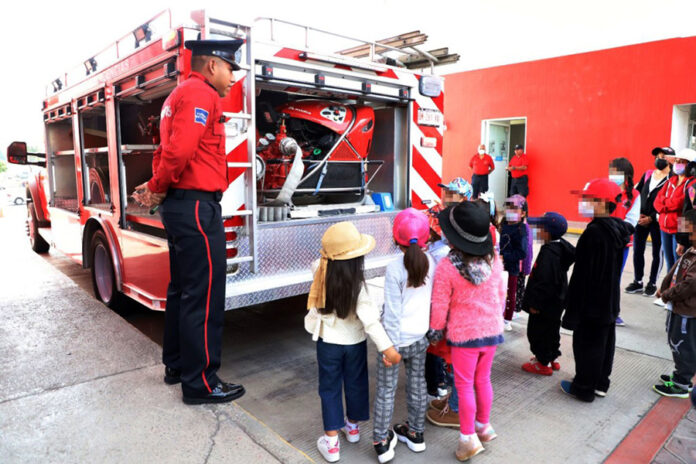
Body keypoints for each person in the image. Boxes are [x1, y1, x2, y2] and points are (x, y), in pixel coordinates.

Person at [132, 39, 245, 405]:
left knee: (183, 290)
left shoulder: (180, 95)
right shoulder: (201, 94)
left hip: (184, 206)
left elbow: (170, 149)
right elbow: (179, 151)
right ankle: (202, 384)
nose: (233, 77)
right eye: (231, 68)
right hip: (196, 206)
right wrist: (156, 186)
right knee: (206, 295)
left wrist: (160, 187)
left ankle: (178, 366)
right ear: (212, 65)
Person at [305, 221, 401, 463]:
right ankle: (353, 428)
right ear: (355, 259)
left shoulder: (319, 270)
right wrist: (388, 350)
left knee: (329, 388)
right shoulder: (357, 287)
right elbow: (371, 322)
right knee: (356, 383)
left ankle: (331, 443)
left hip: (328, 343)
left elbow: (320, 261)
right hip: (355, 343)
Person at [429, 201, 506, 461]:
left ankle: (467, 439)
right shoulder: (495, 262)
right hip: (492, 332)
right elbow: (501, 295)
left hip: (464, 338)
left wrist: (435, 330)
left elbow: (439, 305)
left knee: (463, 386)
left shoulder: (447, 267)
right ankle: (484, 426)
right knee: (483, 380)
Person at [561, 179, 634, 402]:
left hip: (591, 302)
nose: (583, 203)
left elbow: (582, 275)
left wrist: (572, 308)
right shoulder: (615, 230)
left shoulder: (594, 233)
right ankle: (601, 383)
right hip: (609, 300)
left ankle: (583, 387)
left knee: (587, 345)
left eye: (587, 199)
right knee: (605, 342)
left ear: (602, 204)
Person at [373, 209, 433, 463]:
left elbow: (393, 313)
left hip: (394, 342)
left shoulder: (394, 267)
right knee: (417, 385)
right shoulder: (433, 262)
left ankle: (382, 442)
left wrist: (391, 349)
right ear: (426, 238)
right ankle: (416, 434)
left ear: (397, 241)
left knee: (386, 390)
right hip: (420, 338)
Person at [521, 212, 576, 375]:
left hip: (543, 303)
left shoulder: (549, 253)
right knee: (552, 329)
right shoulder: (561, 248)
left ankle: (542, 362)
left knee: (538, 331)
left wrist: (535, 304)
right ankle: (552, 357)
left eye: (539, 228)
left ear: (548, 233)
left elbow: (543, 281)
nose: (536, 231)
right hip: (556, 301)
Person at [654, 209, 696, 398]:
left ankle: (682, 382)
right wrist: (663, 287)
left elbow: (690, 284)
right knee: (675, 339)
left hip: (687, 310)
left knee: (683, 344)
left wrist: (668, 294)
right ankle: (681, 374)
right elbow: (675, 270)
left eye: (686, 228)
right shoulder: (691, 250)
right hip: (678, 306)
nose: (682, 233)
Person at [625, 147, 673, 300]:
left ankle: (652, 283)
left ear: (671, 159)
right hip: (641, 219)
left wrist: (652, 218)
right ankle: (638, 281)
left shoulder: (672, 179)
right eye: (657, 156)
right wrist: (638, 212)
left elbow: (668, 202)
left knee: (657, 252)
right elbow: (637, 193)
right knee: (638, 250)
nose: (659, 159)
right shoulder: (647, 175)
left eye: (663, 156)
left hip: (657, 221)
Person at [608, 157, 641, 327]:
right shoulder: (606, 190)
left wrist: (613, 230)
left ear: (627, 175)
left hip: (620, 244)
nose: (613, 175)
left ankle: (613, 312)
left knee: (614, 278)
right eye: (611, 171)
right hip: (602, 240)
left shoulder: (634, 195)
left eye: (617, 172)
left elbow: (631, 221)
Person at [654, 149, 696, 276]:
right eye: (676, 161)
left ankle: (674, 292)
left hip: (679, 230)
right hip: (664, 228)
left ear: (690, 166)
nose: (677, 164)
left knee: (678, 264)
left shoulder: (692, 184)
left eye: (681, 162)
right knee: (669, 263)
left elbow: (682, 205)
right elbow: (657, 202)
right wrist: (668, 204)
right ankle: (668, 290)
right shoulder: (670, 181)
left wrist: (665, 203)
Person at [500, 195, 529, 331]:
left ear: (523, 213)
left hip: (511, 267)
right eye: (508, 208)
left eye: (515, 209)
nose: (510, 212)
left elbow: (522, 253)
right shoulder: (503, 225)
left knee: (510, 293)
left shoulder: (521, 230)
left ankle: (507, 319)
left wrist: (504, 256)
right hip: (499, 266)